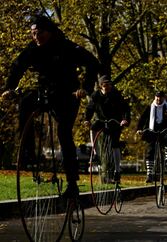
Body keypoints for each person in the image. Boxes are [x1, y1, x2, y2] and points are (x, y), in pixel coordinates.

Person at [1, 15, 100, 198]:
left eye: (39, 33)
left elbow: (93, 63)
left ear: (50, 32)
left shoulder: (67, 47)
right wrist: (10, 88)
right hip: (45, 90)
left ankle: (72, 184)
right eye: (32, 34)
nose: (35, 37)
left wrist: (84, 88)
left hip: (67, 93)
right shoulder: (33, 49)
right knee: (25, 103)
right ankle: (28, 152)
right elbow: (18, 66)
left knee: (64, 132)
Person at [84, 75, 130, 183]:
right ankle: (95, 153)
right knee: (93, 128)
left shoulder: (116, 94)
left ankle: (117, 170)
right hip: (101, 120)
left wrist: (125, 119)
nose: (108, 87)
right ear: (101, 86)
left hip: (114, 121)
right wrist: (87, 119)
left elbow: (125, 108)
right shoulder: (95, 95)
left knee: (115, 144)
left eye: (109, 84)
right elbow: (90, 108)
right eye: (105, 85)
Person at [136, 91, 167, 183]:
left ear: (164, 98)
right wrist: (139, 129)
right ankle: (149, 174)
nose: (158, 99)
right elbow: (142, 118)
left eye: (160, 97)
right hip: (152, 130)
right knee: (150, 150)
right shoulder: (150, 107)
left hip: (164, 129)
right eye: (157, 97)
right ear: (155, 98)